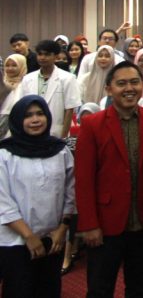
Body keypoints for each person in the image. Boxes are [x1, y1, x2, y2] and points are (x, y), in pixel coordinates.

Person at [75, 60, 143, 298]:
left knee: (140, 288)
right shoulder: (92, 124)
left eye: (135, 82)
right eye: (122, 83)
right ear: (109, 89)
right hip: (106, 223)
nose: (129, 88)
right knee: (99, 289)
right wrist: (89, 224)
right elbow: (84, 179)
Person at [0, 95, 76, 298]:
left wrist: (62, 229)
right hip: (16, 241)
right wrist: (29, 237)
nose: (35, 120)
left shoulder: (60, 151)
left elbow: (70, 193)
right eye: (28, 116)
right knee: (19, 290)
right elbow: (3, 202)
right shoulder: (5, 154)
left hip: (53, 239)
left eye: (40, 114)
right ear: (17, 120)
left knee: (48, 290)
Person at [17, 40, 80, 138]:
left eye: (47, 54)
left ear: (55, 56)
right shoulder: (28, 78)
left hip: (56, 132)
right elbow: (23, 107)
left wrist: (63, 138)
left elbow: (69, 110)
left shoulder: (67, 78)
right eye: (40, 54)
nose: (42, 57)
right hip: (32, 131)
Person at [0, 54, 28, 138]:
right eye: (7, 65)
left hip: (17, 129)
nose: (10, 68)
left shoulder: (26, 85)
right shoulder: (2, 84)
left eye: (14, 65)